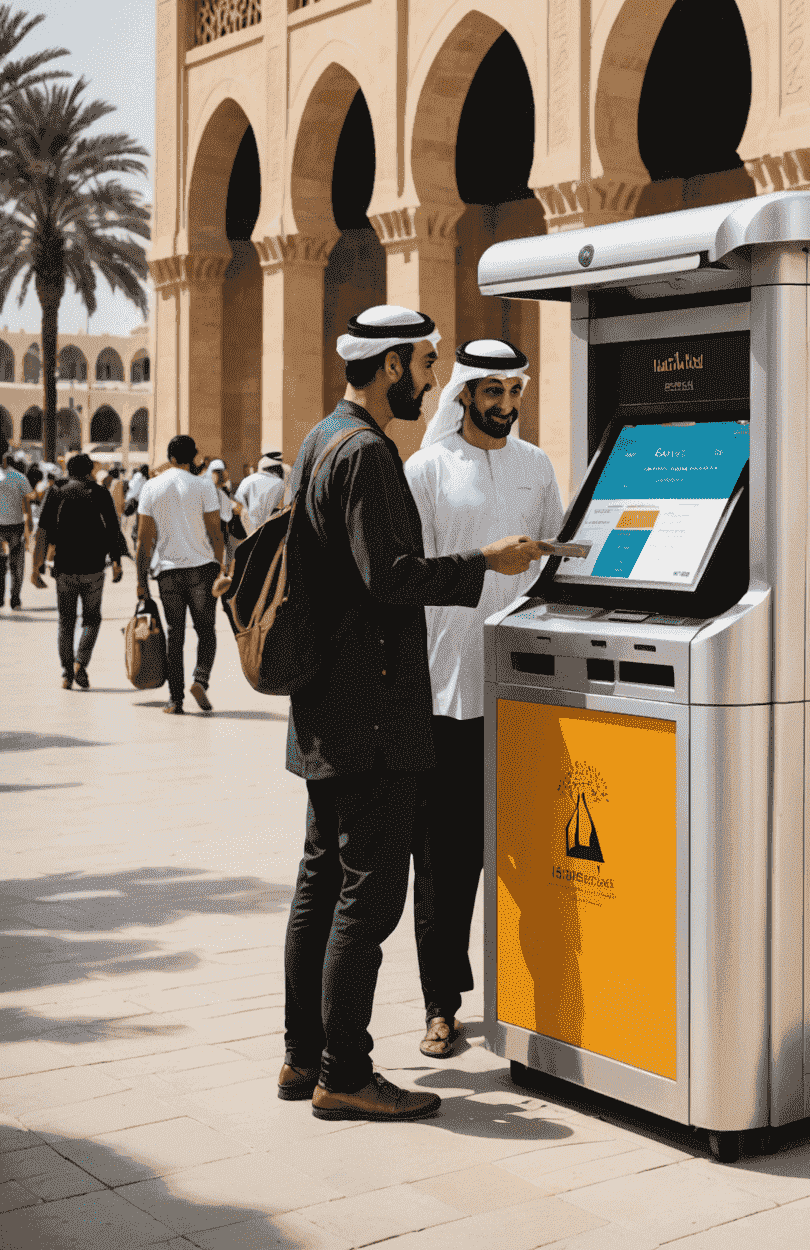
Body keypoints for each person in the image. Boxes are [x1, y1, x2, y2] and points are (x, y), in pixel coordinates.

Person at [275, 305, 547, 1124]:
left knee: (321, 883)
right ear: (392, 365)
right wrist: (483, 563)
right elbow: (389, 577)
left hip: (328, 705)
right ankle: (345, 1071)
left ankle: (302, 1055)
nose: (430, 380)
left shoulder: (322, 438)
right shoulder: (367, 454)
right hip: (375, 708)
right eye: (424, 364)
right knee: (371, 891)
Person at [404, 339, 564, 1058]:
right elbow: (411, 575)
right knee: (446, 860)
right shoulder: (427, 470)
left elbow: (560, 556)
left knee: (536, 851)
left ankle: (541, 994)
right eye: (490, 392)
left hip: (528, 685)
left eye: (512, 392)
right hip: (451, 691)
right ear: (464, 394)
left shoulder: (536, 467)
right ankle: (442, 1005)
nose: (504, 405)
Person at [135, 435, 228, 715]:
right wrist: (220, 565)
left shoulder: (151, 487)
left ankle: (175, 700)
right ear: (195, 456)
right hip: (202, 570)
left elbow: (143, 540)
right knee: (206, 631)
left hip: (168, 572)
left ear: (169, 456)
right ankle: (200, 678)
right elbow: (216, 532)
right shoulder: (203, 486)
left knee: (175, 636)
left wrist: (141, 583)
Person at [30, 453, 126, 690]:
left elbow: (42, 531)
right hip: (93, 568)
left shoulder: (56, 491)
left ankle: (66, 673)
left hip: (64, 568)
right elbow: (113, 528)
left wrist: (36, 567)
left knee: (66, 622)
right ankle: (80, 662)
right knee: (92, 619)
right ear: (89, 471)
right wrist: (116, 561)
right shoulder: (100, 492)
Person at [0, 452, 30, 609]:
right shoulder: (19, 477)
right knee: (16, 565)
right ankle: (15, 598)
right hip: (16, 526)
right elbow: (27, 501)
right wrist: (29, 526)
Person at [236, 454, 288, 533]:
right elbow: (285, 506)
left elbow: (238, 504)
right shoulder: (280, 483)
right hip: (270, 523)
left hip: (249, 521)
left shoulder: (247, 480)